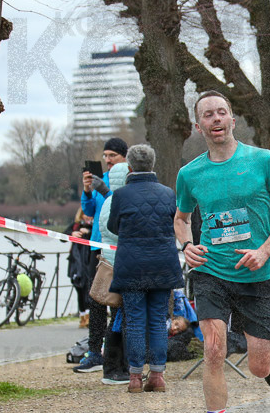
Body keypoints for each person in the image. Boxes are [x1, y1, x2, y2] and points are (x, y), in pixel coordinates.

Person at [175, 90, 270, 413]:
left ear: (232, 120)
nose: (215, 120)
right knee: (214, 349)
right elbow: (181, 219)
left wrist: (265, 250)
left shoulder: (261, 161)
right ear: (199, 126)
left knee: (257, 365)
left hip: (256, 271)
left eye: (221, 113)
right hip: (211, 271)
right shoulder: (189, 173)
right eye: (207, 115)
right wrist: (187, 246)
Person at [107, 145, 186, 393]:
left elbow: (113, 227)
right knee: (158, 320)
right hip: (163, 265)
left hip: (132, 266)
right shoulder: (168, 194)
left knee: (135, 321)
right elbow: (177, 223)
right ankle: (158, 375)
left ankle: (134, 377)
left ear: (130, 167)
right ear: (152, 165)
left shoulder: (120, 195)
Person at [74, 137, 128, 374]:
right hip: (97, 245)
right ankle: (95, 351)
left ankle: (110, 352)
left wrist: (103, 191)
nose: (107, 160)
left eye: (112, 156)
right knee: (95, 298)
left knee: (113, 302)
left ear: (124, 157)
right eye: (105, 155)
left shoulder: (126, 179)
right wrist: (87, 191)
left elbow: (120, 207)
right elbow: (88, 210)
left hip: (117, 248)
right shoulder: (99, 180)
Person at [96, 162, 131, 385]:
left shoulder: (110, 201)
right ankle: (113, 368)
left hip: (115, 264)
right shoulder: (117, 202)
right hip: (120, 267)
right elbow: (117, 232)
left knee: (119, 319)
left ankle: (116, 366)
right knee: (120, 320)